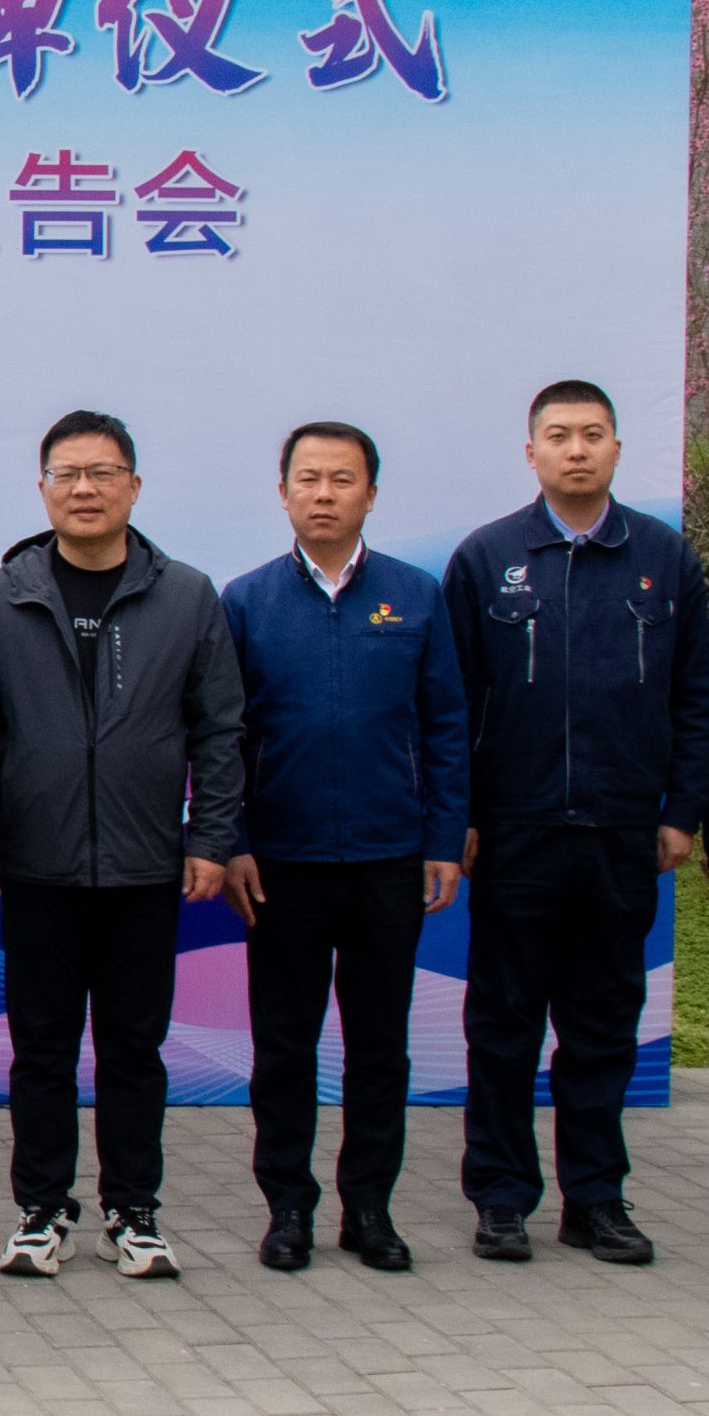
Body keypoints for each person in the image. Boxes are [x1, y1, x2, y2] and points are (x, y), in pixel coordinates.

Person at [0, 411, 241, 1284]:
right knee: (41, 1050)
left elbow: (220, 729)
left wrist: (211, 836)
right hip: (37, 865)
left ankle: (134, 1211)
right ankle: (41, 1211)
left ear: (134, 487)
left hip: (144, 865)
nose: (84, 489)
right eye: (67, 474)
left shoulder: (186, 596)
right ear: (43, 488)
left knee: (132, 1050)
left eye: (103, 473)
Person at [442, 380, 709, 1268]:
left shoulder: (663, 559)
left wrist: (681, 812)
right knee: (504, 1023)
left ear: (616, 449)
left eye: (592, 434)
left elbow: (698, 696)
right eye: (558, 435)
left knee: (602, 1026)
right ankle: (501, 1197)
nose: (576, 449)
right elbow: (451, 704)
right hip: (515, 832)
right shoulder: (487, 559)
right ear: (532, 453)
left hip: (622, 832)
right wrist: (460, 816)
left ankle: (596, 1198)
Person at [219, 424, 468, 1275]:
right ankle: (288, 1206)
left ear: (371, 493)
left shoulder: (416, 596)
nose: (323, 494)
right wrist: (234, 841)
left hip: (387, 858)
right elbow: (221, 737)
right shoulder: (247, 601)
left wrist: (443, 837)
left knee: (379, 1046)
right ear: (283, 491)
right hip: (281, 864)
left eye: (342, 479)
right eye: (308, 479)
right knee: (284, 1046)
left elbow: (445, 726)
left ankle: (370, 1208)